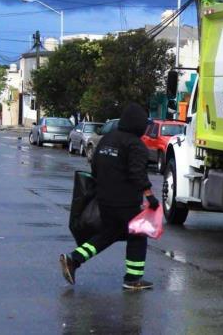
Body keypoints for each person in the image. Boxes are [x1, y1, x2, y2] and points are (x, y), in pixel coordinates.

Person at [60, 103, 160, 290]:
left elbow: (95, 166)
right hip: (126, 202)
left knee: (109, 234)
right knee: (138, 235)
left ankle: (74, 259)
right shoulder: (135, 145)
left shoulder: (107, 139)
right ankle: (133, 279)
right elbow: (137, 173)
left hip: (104, 200)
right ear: (138, 124)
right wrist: (150, 196)